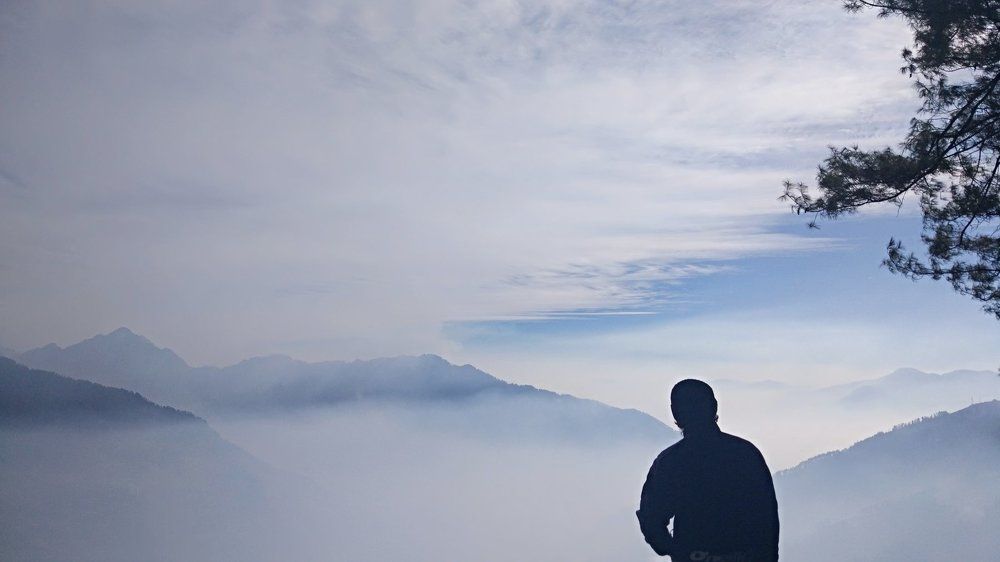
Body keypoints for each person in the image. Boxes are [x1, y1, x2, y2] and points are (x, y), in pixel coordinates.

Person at [637, 379, 779, 561]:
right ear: (714, 406)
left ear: (675, 412)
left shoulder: (672, 462)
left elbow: (651, 519)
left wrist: (676, 551)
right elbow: (767, 520)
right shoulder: (745, 454)